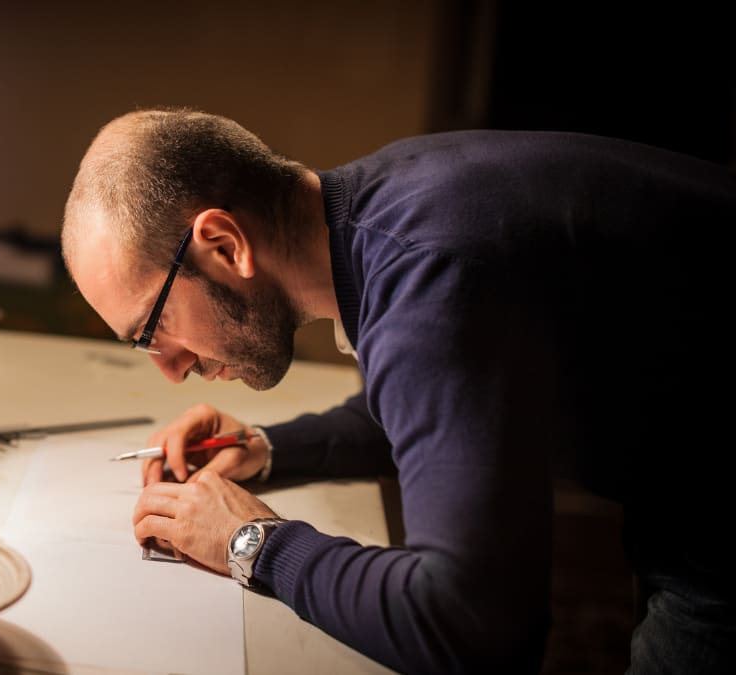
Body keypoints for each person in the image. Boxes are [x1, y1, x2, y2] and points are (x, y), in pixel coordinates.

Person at [59, 108, 736, 674]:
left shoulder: (429, 276)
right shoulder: (391, 208)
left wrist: (251, 542)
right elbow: (452, 403)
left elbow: (475, 628)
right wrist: (265, 449)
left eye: (154, 329)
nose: (170, 369)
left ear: (225, 244)